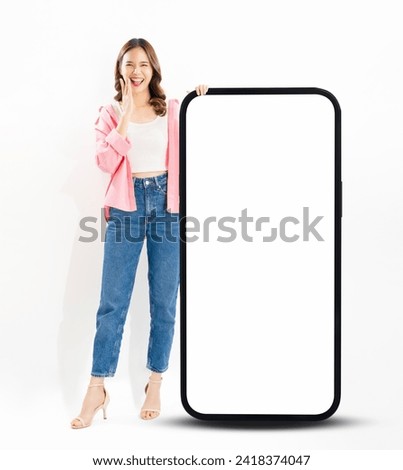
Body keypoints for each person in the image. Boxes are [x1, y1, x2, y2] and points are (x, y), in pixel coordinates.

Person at [71, 38, 208, 428]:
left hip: (168, 208)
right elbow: (104, 161)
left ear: (154, 69)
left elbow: (203, 140)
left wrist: (202, 100)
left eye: (144, 65)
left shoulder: (175, 110)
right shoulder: (110, 112)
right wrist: (127, 116)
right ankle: (96, 388)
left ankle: (155, 381)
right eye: (129, 64)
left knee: (164, 303)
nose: (136, 71)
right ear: (120, 69)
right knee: (112, 304)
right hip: (127, 210)